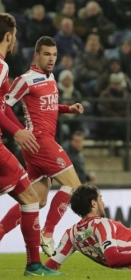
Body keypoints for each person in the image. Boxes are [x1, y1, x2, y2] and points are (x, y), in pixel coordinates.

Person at [0, 36, 84, 257]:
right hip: (39, 141)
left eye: (54, 55)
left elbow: (49, 105)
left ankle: (0, 230)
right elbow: (3, 105)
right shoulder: (25, 80)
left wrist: (68, 109)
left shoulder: (51, 76)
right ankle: (47, 233)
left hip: (39, 144)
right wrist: (18, 130)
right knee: (74, 185)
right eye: (47, 54)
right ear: (36, 55)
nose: (51, 59)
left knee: (36, 199)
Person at [0, 13, 62, 276]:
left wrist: (21, 129)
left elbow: (3, 105)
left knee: (31, 195)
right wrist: (16, 131)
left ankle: (34, 264)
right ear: (9, 36)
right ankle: (34, 264)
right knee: (30, 196)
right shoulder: (1, 66)